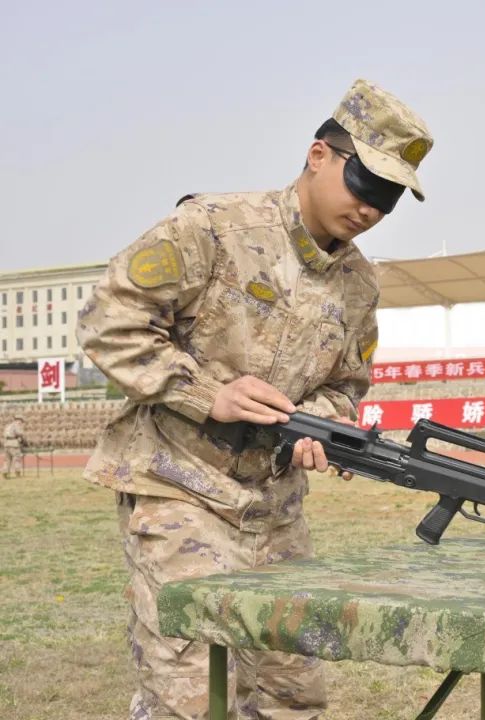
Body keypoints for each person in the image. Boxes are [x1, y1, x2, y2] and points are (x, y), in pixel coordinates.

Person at [76, 78, 433, 719]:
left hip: (274, 507)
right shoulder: (213, 228)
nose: (370, 209)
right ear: (319, 155)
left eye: (388, 199)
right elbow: (109, 323)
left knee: (291, 693)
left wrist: (319, 424)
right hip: (180, 487)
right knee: (196, 691)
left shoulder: (359, 283)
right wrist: (207, 394)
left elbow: (345, 387)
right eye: (364, 184)